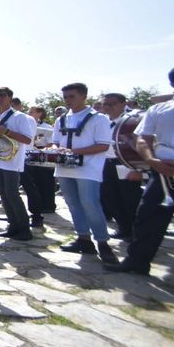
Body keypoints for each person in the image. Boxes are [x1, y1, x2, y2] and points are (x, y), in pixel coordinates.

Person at [106, 63, 174, 276]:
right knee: (148, 217)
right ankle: (137, 262)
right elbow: (143, 138)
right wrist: (151, 160)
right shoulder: (159, 110)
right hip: (161, 171)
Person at [48, 82, 118, 264]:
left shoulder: (99, 118)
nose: (68, 100)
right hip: (64, 167)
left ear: (84, 96)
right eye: (65, 97)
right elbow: (56, 142)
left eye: (72, 96)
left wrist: (75, 152)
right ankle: (83, 238)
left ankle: (103, 242)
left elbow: (103, 144)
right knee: (72, 203)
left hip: (88, 169)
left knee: (90, 203)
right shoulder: (61, 119)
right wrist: (56, 149)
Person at [0, 87, 37, 242]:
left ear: (10, 97)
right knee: (3, 194)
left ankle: (24, 229)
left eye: (2, 95)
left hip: (11, 161)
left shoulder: (20, 117)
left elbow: (28, 140)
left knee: (12, 194)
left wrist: (5, 131)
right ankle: (13, 226)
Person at [99, 93, 143, 241]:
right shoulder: (102, 120)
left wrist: (137, 167)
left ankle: (135, 230)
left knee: (129, 198)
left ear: (124, 104)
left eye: (112, 104)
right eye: (106, 104)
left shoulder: (132, 121)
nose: (108, 107)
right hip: (106, 162)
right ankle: (123, 228)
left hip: (125, 162)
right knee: (110, 196)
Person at [21, 105, 57, 229]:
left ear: (40, 113)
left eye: (32, 111)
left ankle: (38, 212)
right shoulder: (25, 123)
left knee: (34, 185)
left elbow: (51, 143)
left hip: (40, 156)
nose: (29, 113)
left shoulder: (46, 127)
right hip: (27, 155)